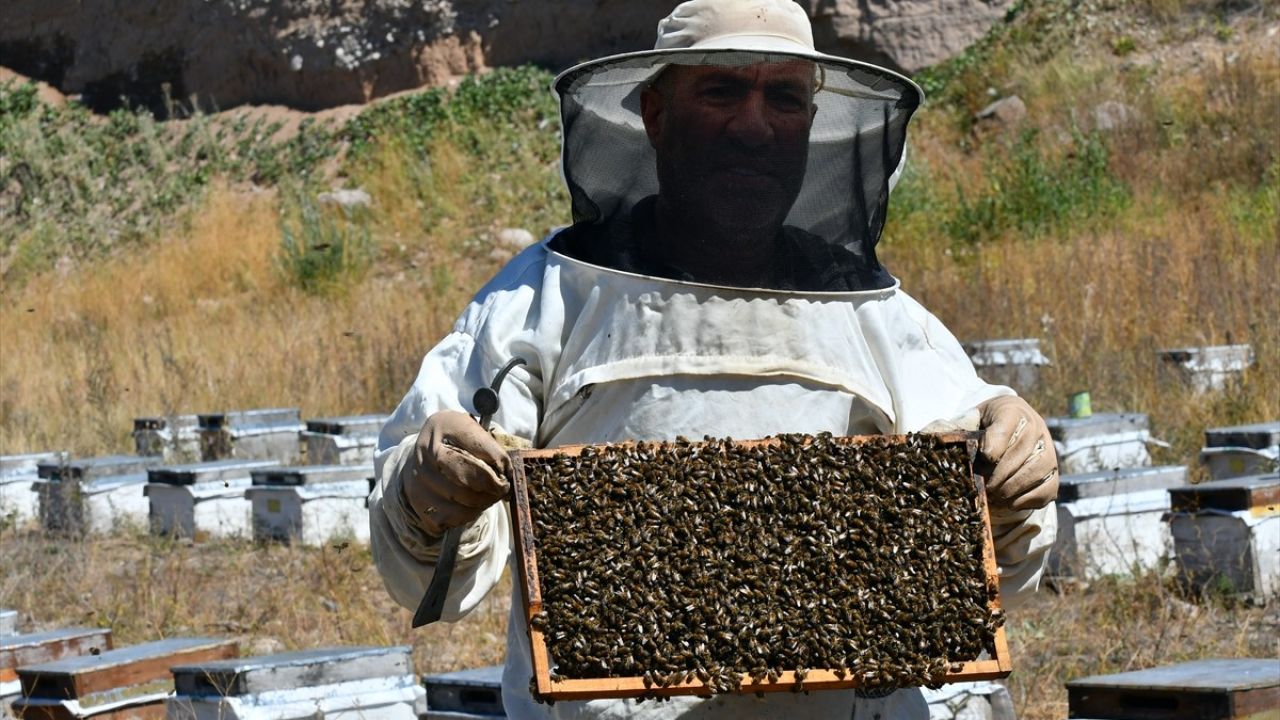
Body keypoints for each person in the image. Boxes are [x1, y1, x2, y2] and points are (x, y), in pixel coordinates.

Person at [369, 1, 1059, 717]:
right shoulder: (546, 301)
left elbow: (999, 573)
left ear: (813, 124)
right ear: (656, 115)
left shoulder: (877, 318)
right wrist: (428, 492)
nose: (755, 127)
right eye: (723, 91)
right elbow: (429, 578)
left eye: (784, 97)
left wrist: (1011, 472)